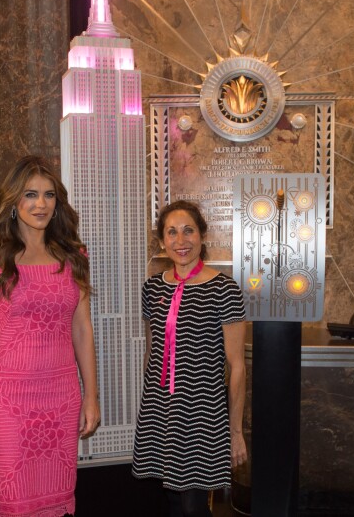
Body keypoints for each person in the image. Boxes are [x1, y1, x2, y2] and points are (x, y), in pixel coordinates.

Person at [0, 155, 100, 517]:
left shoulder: (73, 256)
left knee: (56, 498)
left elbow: (81, 329)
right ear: (13, 201)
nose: (41, 204)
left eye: (49, 195)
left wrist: (91, 396)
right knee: (14, 501)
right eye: (30, 194)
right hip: (8, 398)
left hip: (61, 394)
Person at [132, 200, 248, 517]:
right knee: (171, 502)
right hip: (161, 409)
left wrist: (235, 431)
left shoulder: (224, 289)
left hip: (202, 413)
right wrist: (149, 407)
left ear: (202, 235)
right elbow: (152, 352)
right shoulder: (152, 287)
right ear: (161, 241)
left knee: (193, 506)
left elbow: (237, 366)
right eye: (171, 232)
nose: (180, 241)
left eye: (188, 231)